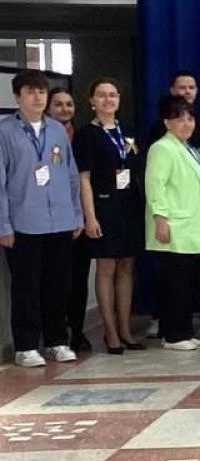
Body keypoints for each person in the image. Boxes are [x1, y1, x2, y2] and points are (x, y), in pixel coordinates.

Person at [0, 70, 84, 366]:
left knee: (58, 286)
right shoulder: (5, 131)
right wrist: (3, 224)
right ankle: (25, 346)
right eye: (30, 91)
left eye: (41, 92)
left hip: (60, 220)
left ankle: (56, 341)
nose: (37, 97)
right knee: (27, 287)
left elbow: (71, 174)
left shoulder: (57, 130)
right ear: (17, 97)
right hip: (24, 223)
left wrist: (76, 214)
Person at [75, 78, 143, 354]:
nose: (108, 100)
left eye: (113, 95)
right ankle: (110, 332)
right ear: (92, 101)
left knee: (127, 266)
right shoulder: (86, 134)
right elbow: (84, 178)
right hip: (104, 206)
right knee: (106, 267)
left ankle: (125, 328)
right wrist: (90, 217)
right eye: (101, 95)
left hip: (129, 205)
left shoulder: (128, 130)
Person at [144, 96, 200, 351]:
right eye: (179, 119)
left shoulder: (188, 148)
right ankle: (173, 335)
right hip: (175, 225)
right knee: (175, 283)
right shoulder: (162, 148)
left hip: (191, 225)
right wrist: (160, 218)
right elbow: (156, 186)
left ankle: (182, 329)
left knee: (187, 281)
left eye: (190, 119)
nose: (186, 124)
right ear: (166, 122)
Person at [50, 87, 92, 353]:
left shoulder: (83, 136)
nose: (65, 109)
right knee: (56, 281)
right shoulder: (45, 137)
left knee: (78, 279)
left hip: (80, 217)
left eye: (69, 104)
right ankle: (55, 334)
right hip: (52, 219)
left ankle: (77, 330)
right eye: (58, 104)